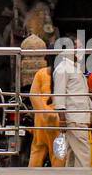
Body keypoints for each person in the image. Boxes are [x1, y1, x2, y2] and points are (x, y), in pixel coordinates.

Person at [20, 34, 62, 168]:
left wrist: (42, 112)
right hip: (56, 118)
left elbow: (33, 94)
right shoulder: (64, 73)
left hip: (41, 119)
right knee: (57, 152)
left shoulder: (42, 73)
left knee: (37, 149)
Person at [51, 40, 92, 167]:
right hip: (73, 118)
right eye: (76, 47)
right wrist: (62, 119)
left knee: (73, 153)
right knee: (83, 153)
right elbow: (59, 95)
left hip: (80, 116)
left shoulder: (75, 67)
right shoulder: (63, 68)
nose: (79, 50)